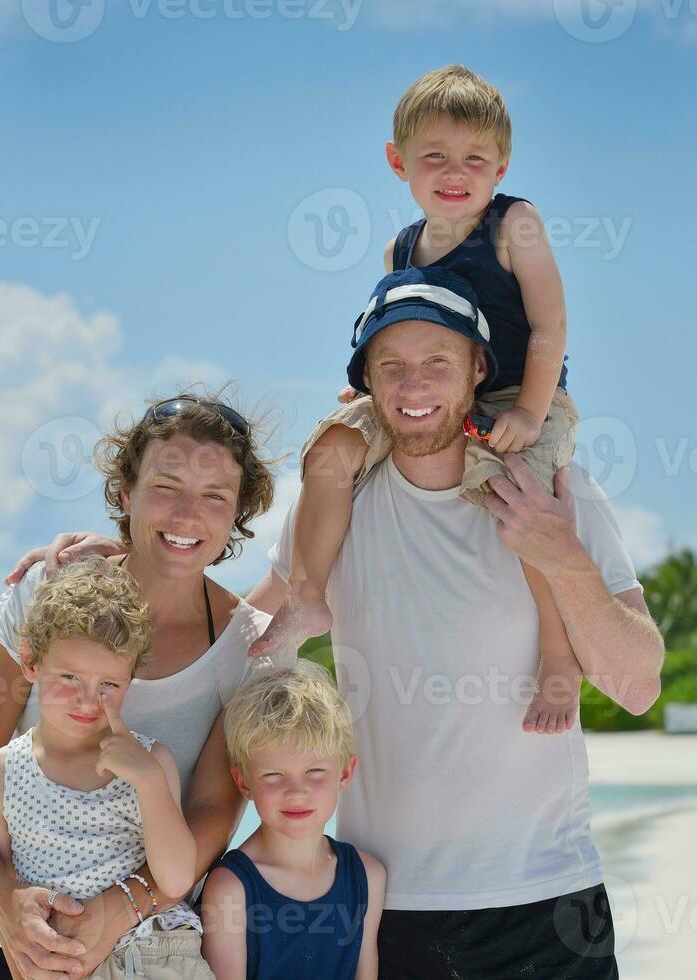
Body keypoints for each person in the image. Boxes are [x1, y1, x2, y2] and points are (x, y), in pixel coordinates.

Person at [247, 269, 665, 978]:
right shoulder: (338, 502)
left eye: (437, 362)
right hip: (384, 902)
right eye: (392, 367)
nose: (413, 388)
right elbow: (248, 631)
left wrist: (562, 556)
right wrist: (120, 570)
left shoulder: (559, 490)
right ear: (365, 384)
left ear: (478, 369)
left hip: (547, 900)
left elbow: (637, 685)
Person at [250, 64, 585, 737]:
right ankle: (308, 597)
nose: (454, 171)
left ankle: (557, 649)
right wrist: (368, 387)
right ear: (397, 162)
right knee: (331, 445)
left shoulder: (512, 225)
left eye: (474, 158)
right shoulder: (398, 248)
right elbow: (395, 330)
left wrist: (525, 413)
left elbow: (549, 324)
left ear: (501, 166)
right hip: (425, 394)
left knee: (520, 494)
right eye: (434, 156)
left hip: (522, 391)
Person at [0, 392, 296, 980]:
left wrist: (119, 910)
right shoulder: (45, 595)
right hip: (11, 947)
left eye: (214, 497)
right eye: (165, 486)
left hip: (151, 952)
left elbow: (211, 814)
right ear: (125, 492)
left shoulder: (252, 650)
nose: (186, 516)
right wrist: (9, 905)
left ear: (238, 513)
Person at [0, 558, 213, 980]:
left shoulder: (152, 762)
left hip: (156, 957)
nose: (88, 700)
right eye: (69, 677)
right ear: (30, 664)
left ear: (130, 680)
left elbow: (175, 881)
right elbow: (9, 880)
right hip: (58, 962)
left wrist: (149, 782)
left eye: (109, 685)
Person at [199, 660, 385, 980]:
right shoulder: (230, 889)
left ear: (344, 772)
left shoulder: (368, 877)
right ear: (244, 783)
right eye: (273, 775)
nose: (296, 792)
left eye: (314, 772)